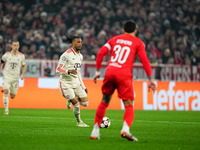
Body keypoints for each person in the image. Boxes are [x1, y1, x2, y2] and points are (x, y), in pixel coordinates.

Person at [90, 20, 157, 141]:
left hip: (110, 72)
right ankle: (125, 129)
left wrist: (97, 72)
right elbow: (145, 61)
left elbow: (100, 53)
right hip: (124, 75)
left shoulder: (114, 39)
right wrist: (151, 79)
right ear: (135, 31)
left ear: (122, 30)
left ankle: (95, 131)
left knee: (105, 101)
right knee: (129, 104)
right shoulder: (138, 43)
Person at [56, 35, 89, 127]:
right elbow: (58, 69)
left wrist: (84, 86)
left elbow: (78, 73)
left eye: (81, 42)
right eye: (78, 42)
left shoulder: (80, 56)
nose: (80, 44)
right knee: (76, 103)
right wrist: (68, 71)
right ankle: (79, 122)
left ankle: (69, 98)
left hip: (76, 83)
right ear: (73, 43)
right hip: (66, 83)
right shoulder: (66, 55)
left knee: (85, 103)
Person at [0, 41, 26, 115]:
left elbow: (24, 65)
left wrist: (22, 74)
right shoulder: (6, 55)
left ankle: (5, 88)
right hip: (7, 76)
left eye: (17, 45)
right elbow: (1, 62)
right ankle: (6, 110)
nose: (16, 47)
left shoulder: (21, 56)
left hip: (15, 78)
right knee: (6, 92)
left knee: (12, 96)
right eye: (14, 45)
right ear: (11, 46)